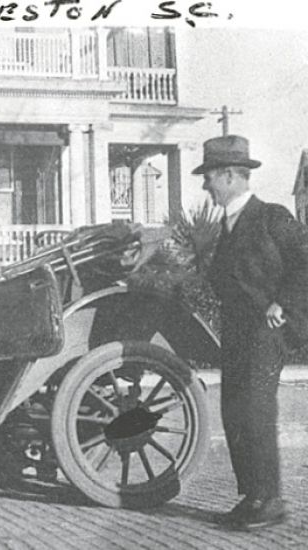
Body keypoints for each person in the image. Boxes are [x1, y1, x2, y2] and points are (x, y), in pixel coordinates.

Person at [195, 135, 308, 530]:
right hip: (238, 332)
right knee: (235, 413)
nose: (205, 185)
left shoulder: (271, 216)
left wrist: (286, 303)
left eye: (209, 177)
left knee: (256, 413)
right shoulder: (229, 224)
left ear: (229, 176)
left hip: (266, 330)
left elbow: (305, 263)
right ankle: (253, 496)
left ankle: (272, 500)